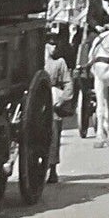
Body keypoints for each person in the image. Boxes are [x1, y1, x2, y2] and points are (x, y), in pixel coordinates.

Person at [41, 31, 76, 185]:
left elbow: (68, 83)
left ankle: (53, 168)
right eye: (50, 43)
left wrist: (62, 99)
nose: (53, 47)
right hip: (37, 101)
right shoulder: (37, 62)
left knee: (54, 133)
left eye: (55, 44)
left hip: (53, 101)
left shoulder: (59, 63)